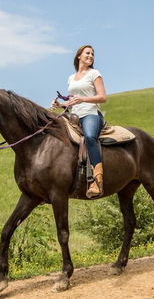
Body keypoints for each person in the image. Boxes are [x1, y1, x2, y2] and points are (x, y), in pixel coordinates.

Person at [53, 45, 107, 198]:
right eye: (87, 53)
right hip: (74, 116)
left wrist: (83, 99)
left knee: (90, 137)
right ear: (79, 56)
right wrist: (60, 104)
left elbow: (103, 97)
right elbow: (72, 100)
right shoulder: (71, 77)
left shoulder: (94, 73)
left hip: (90, 114)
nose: (90, 56)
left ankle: (97, 181)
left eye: (92, 54)